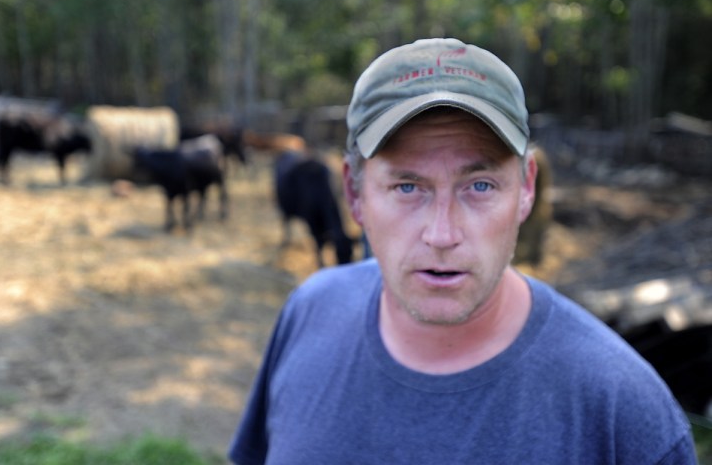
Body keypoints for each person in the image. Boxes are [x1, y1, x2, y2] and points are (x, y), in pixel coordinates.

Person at [228, 38, 697, 464]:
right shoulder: (309, 313)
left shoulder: (624, 415)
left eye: (480, 185)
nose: (442, 233)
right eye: (408, 186)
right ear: (354, 194)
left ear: (526, 190)